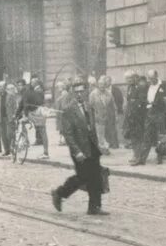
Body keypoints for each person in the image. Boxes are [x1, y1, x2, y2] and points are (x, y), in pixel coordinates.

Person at [51, 79, 106, 216]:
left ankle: (94, 207)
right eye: (77, 92)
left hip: (92, 146)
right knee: (83, 176)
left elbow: (91, 126)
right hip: (80, 148)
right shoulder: (69, 110)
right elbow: (68, 134)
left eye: (82, 91)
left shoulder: (88, 106)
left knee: (96, 176)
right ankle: (59, 193)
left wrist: (99, 143)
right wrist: (77, 151)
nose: (80, 94)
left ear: (86, 92)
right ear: (72, 93)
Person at [131, 69, 166, 165]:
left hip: (159, 114)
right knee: (146, 136)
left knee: (160, 136)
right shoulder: (147, 86)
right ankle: (142, 159)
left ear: (156, 76)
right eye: (149, 78)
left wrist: (154, 104)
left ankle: (160, 158)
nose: (151, 80)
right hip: (149, 113)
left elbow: (164, 101)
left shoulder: (163, 86)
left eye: (152, 78)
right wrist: (146, 103)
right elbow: (142, 98)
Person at [21, 81, 49, 159]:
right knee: (43, 132)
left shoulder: (35, 93)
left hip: (37, 113)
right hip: (40, 112)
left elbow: (26, 105)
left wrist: (26, 115)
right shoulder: (39, 93)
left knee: (42, 131)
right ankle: (45, 152)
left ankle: (45, 153)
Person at [88, 76, 114, 155]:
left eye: (103, 85)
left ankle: (104, 147)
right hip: (98, 116)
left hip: (108, 116)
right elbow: (90, 106)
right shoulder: (93, 94)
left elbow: (112, 105)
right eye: (100, 85)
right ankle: (103, 148)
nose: (102, 86)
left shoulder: (109, 93)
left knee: (106, 133)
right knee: (100, 133)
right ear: (97, 85)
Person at [108, 75, 123, 149]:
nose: (106, 83)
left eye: (107, 81)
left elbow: (120, 99)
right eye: (105, 81)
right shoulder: (104, 89)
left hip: (115, 110)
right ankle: (111, 143)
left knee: (115, 128)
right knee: (109, 128)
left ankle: (115, 144)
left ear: (110, 82)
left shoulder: (116, 89)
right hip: (107, 111)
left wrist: (117, 108)